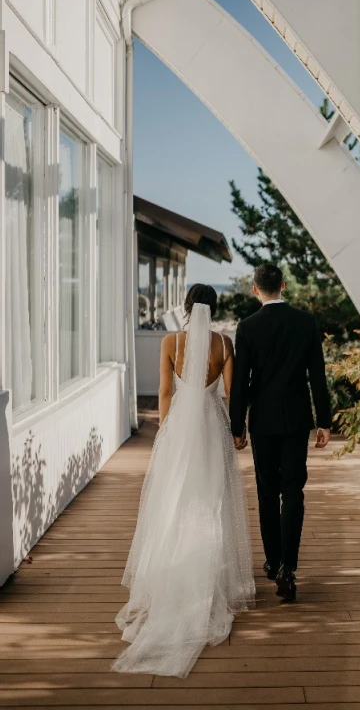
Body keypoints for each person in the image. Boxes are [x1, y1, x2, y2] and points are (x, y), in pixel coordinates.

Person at [112, 285, 255, 678]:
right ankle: (208, 572)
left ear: (188, 308)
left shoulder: (171, 341)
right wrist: (236, 431)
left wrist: (165, 428)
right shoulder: (224, 345)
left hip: (180, 430)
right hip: (211, 428)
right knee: (211, 501)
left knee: (173, 500)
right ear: (216, 307)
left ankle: (170, 571)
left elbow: (163, 390)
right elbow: (228, 393)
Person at [230, 264, 332, 602]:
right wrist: (324, 421)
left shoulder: (247, 327)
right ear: (284, 286)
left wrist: (237, 427)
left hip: (262, 421)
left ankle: (273, 562)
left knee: (267, 492)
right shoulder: (305, 323)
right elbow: (317, 376)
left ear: (255, 290)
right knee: (294, 491)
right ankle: (289, 565)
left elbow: (241, 383)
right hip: (295, 419)